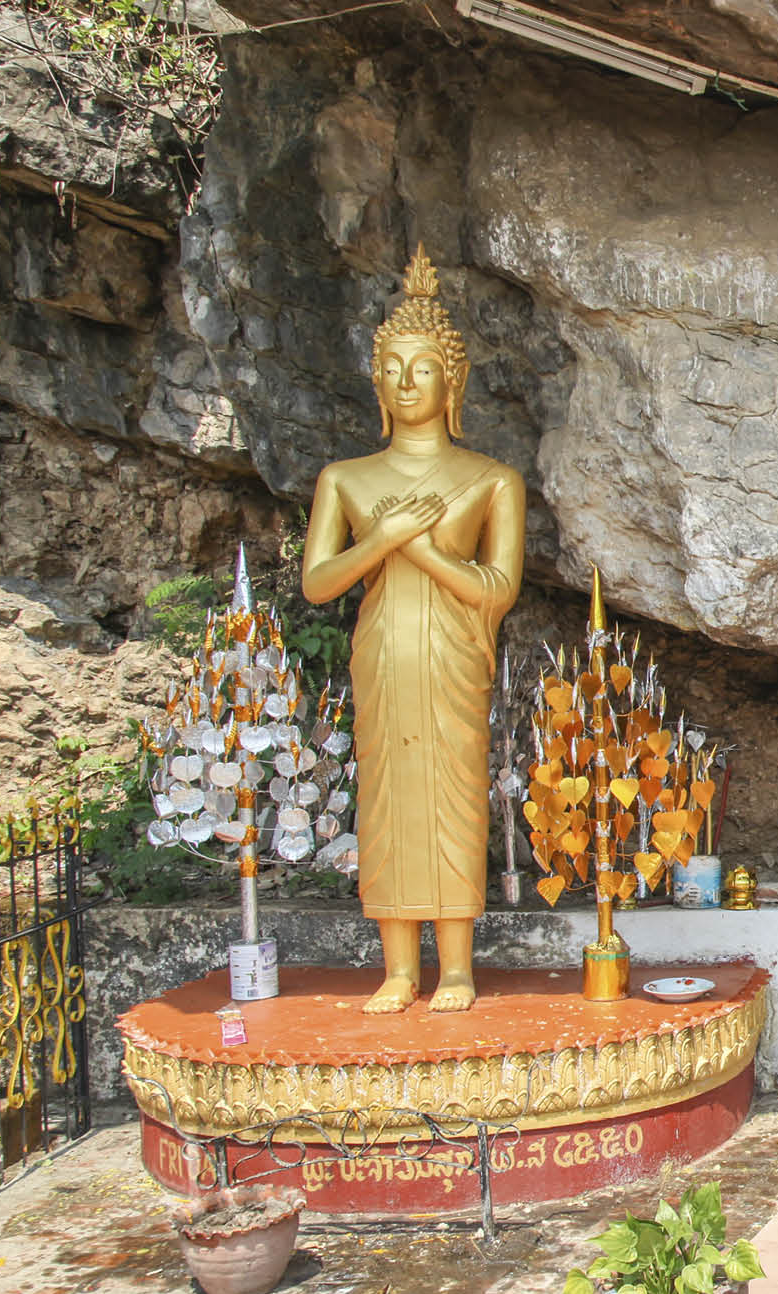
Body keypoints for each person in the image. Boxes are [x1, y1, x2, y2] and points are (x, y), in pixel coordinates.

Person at [301, 247, 525, 1013]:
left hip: (453, 661)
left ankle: (457, 964)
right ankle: (397, 966)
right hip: (384, 659)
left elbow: (499, 590)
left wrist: (424, 547)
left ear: (452, 381)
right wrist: (384, 539)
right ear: (376, 380)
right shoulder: (346, 478)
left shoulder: (492, 478)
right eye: (392, 366)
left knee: (455, 797)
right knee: (389, 800)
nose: (405, 381)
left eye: (422, 366)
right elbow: (319, 583)